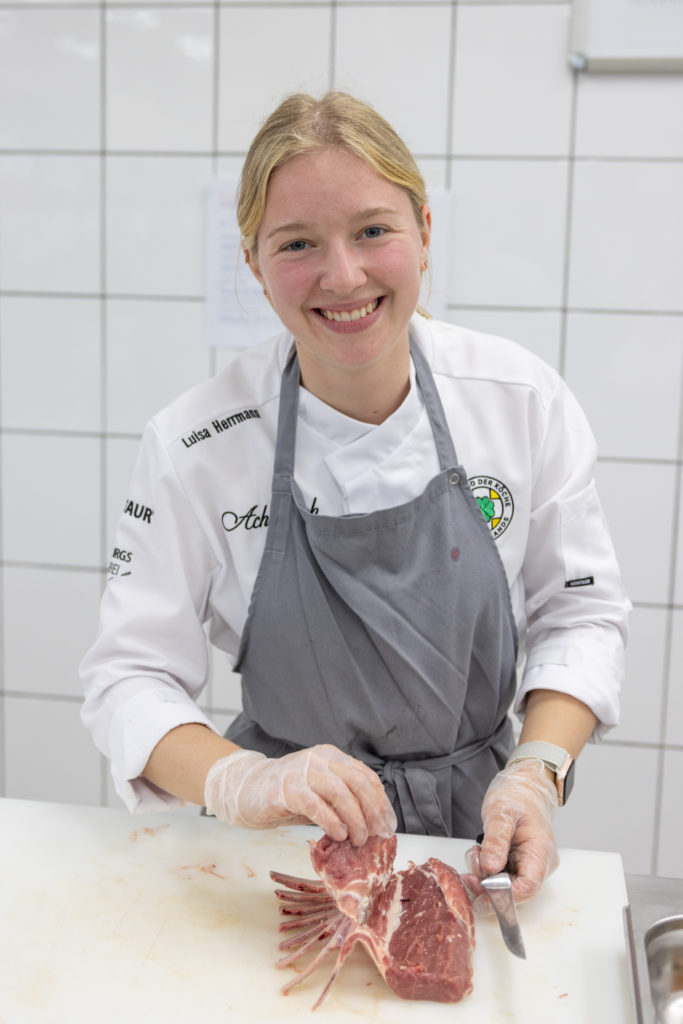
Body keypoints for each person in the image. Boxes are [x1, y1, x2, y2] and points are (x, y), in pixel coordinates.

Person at [80, 91, 630, 914]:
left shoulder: (519, 400)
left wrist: (535, 771)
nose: (343, 276)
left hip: (474, 837)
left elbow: (578, 614)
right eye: (297, 243)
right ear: (253, 264)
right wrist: (242, 781)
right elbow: (128, 675)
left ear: (424, 234)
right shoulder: (194, 443)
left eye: (373, 230)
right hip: (281, 849)